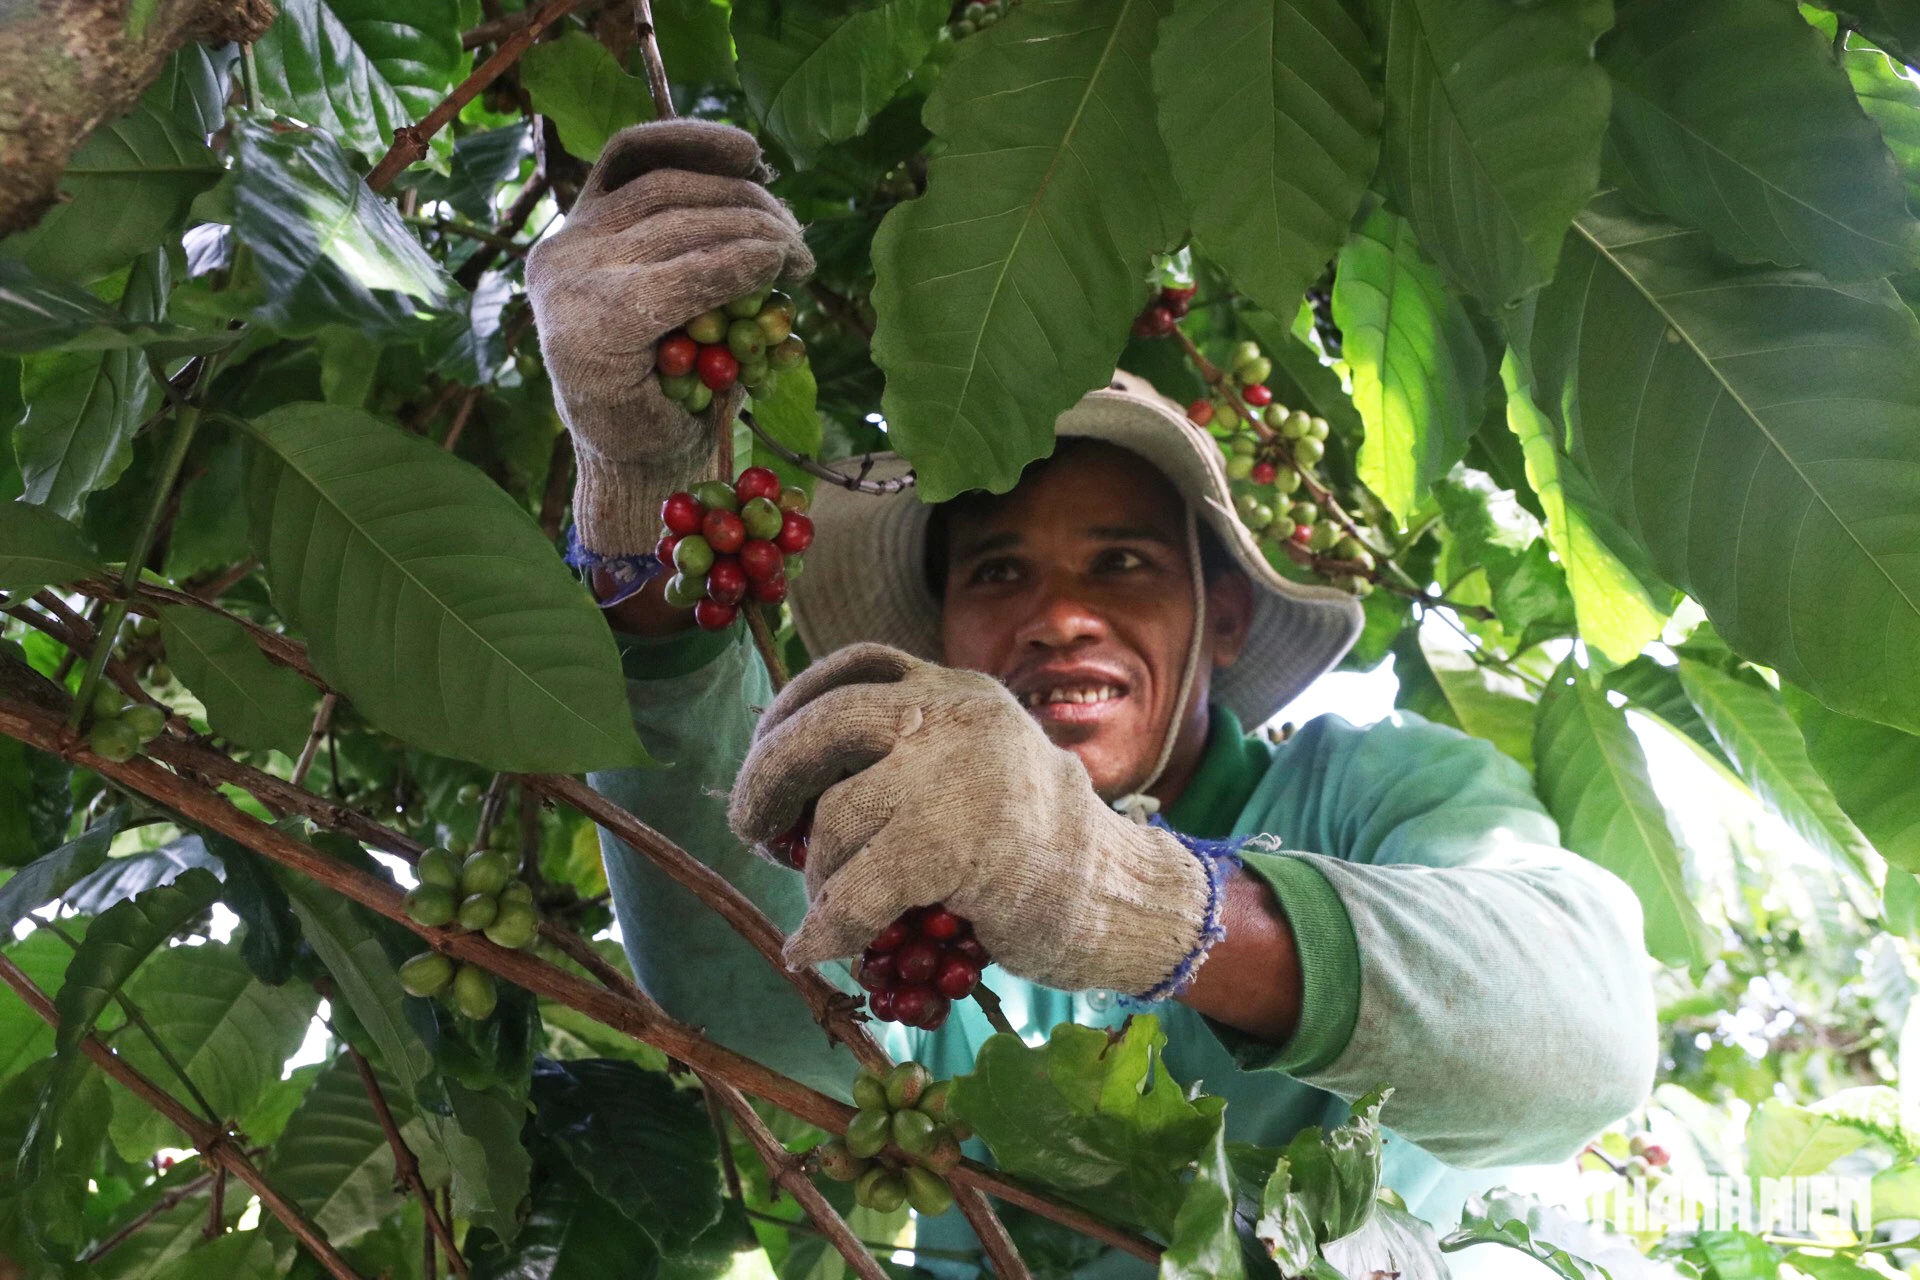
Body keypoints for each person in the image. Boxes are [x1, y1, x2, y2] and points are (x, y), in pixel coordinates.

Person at [527, 121, 1657, 1272]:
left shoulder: (1371, 787)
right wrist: (643, 502)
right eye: (999, 570)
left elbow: (1586, 1036)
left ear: (1224, 621)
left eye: (1122, 562)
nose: (1059, 613)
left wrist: (1134, 898)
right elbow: (748, 995)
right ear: (945, 633)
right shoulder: (930, 873)